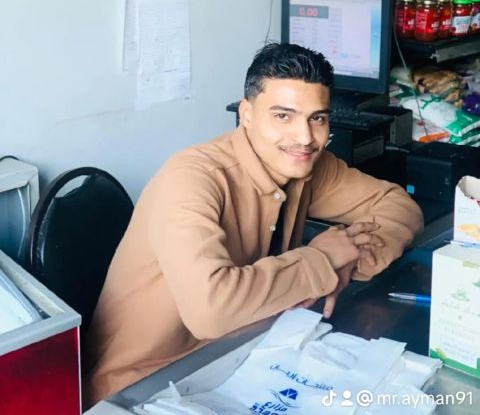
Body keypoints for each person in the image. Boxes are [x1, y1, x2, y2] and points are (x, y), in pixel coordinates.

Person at [83, 43, 423, 406]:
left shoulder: (308, 164)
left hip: (245, 358)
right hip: (142, 388)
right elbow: (211, 312)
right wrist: (322, 261)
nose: (304, 137)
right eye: (283, 116)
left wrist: (346, 263)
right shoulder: (191, 179)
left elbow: (401, 208)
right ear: (246, 114)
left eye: (317, 118)